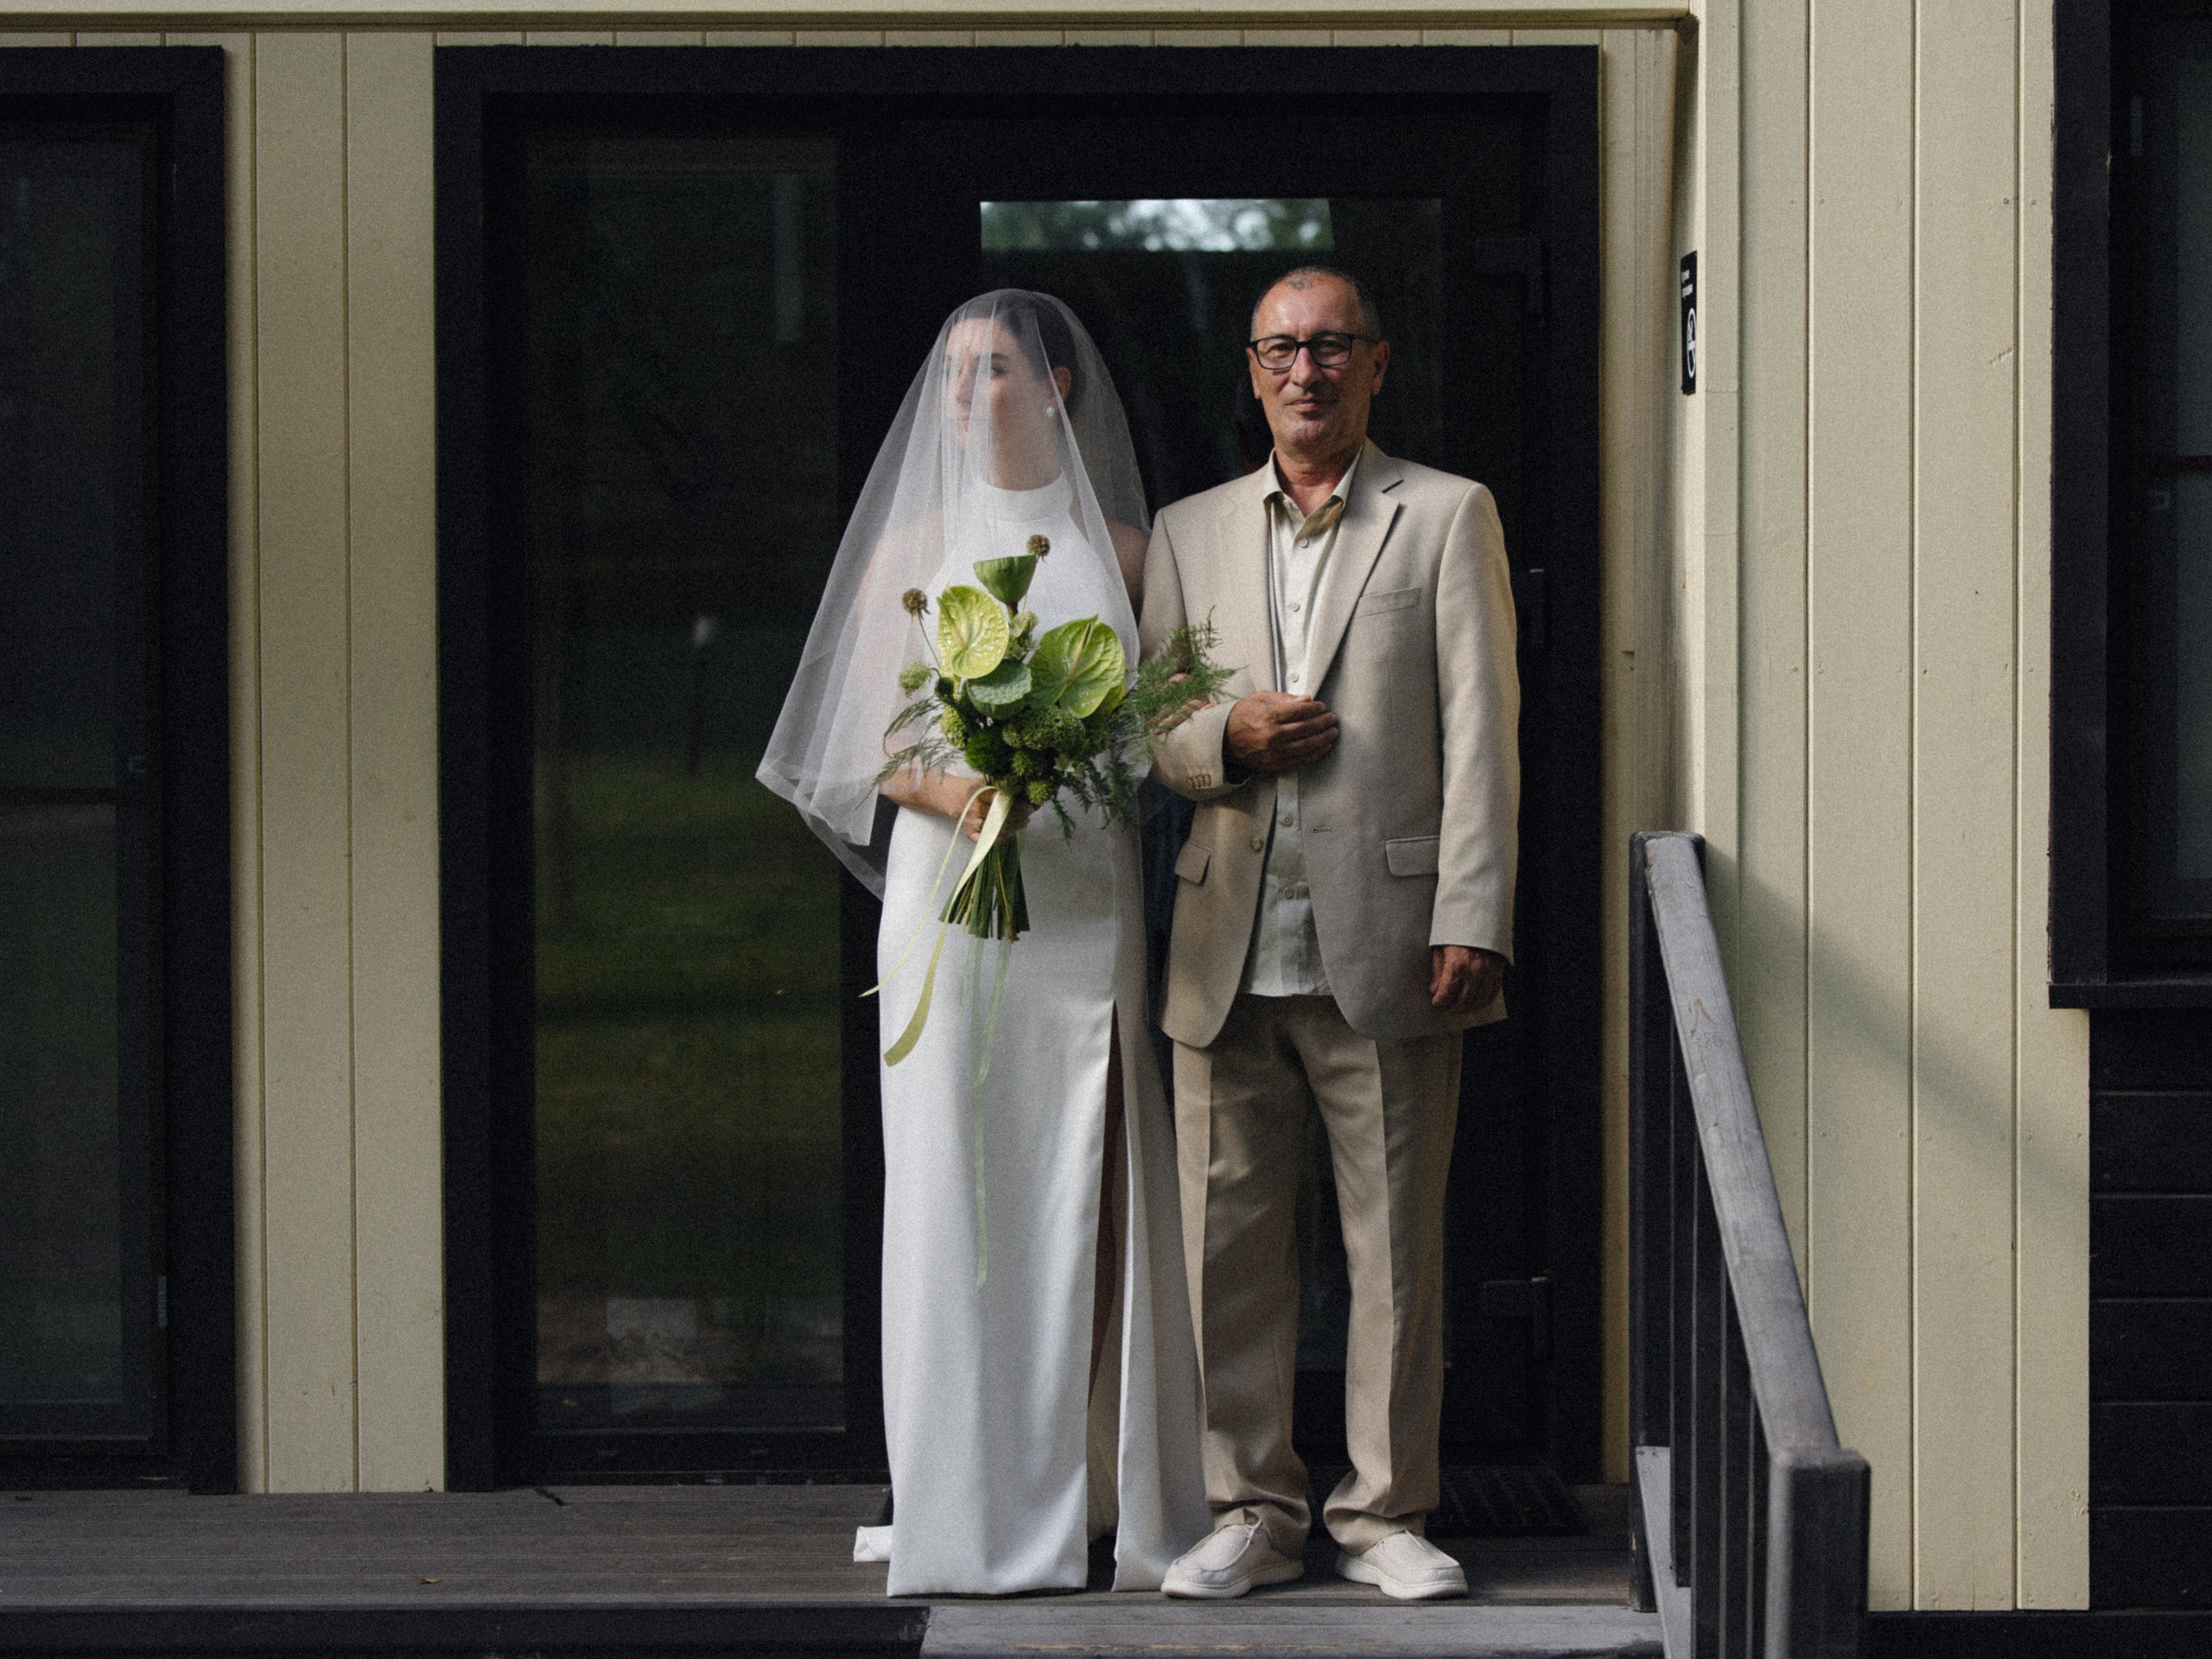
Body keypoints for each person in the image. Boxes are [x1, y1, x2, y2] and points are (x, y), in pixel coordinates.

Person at [759, 291, 1210, 1597]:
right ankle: (970, 1494)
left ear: (1059, 386)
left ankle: (1106, 1487)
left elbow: (1169, 724)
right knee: (961, 1177)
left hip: (1084, 899)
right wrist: (971, 790)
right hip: (954, 894)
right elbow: (863, 746)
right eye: (953, 370)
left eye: (997, 367)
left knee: (1094, 1171)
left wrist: (1075, 758)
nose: (967, 393)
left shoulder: (1126, 554)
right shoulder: (918, 541)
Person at [1139, 267, 1521, 1602]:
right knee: (1224, 1251)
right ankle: (1251, 1512)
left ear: (1375, 365)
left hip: (1398, 940)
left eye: (1333, 347)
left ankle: (1384, 1516)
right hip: (1222, 947)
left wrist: (1473, 910)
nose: (1307, 370)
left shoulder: (1445, 515)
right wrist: (1222, 738)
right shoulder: (1187, 532)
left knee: (1395, 1253)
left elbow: (1483, 732)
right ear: (1253, 372)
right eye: (1282, 349)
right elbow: (1152, 725)